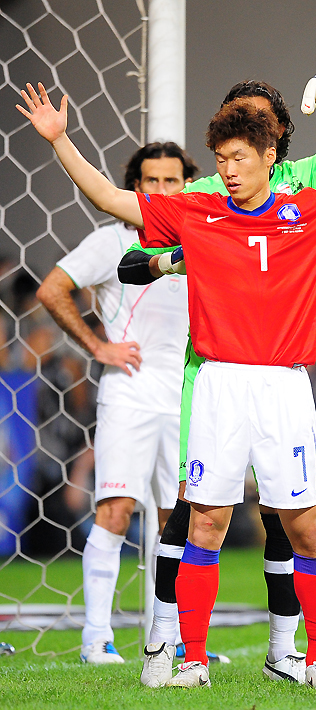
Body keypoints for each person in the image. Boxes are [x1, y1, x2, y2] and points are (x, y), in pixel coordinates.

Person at [18, 81, 316, 691]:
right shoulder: (197, 210)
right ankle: (190, 659)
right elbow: (111, 197)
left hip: (284, 388)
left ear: (270, 157)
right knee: (204, 523)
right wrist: (60, 141)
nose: (228, 171)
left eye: (238, 158)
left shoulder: (311, 209)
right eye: (220, 160)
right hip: (218, 383)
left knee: (305, 527)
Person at [123, 72, 316, 687]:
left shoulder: (309, 183)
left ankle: (284, 649)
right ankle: (165, 642)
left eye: (254, 118)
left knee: (287, 518)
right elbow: (144, 246)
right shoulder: (211, 187)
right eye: (232, 117)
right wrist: (169, 260)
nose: (231, 157)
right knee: (192, 510)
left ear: (277, 135)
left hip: (278, 371)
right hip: (209, 370)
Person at [36, 142, 199, 664]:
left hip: (185, 398)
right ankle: (96, 638)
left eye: (171, 180)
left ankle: (170, 639)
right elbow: (52, 289)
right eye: (152, 181)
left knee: (179, 521)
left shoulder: (200, 237)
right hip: (128, 394)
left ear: (187, 185)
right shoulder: (112, 241)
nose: (162, 190)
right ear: (136, 187)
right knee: (116, 510)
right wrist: (98, 346)